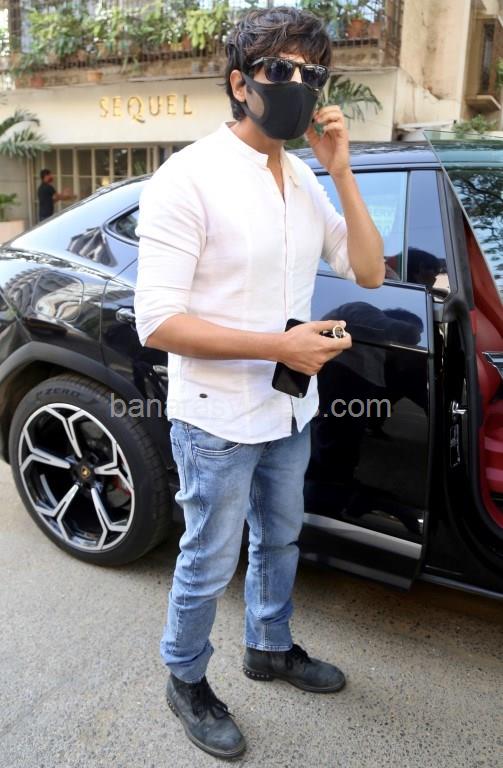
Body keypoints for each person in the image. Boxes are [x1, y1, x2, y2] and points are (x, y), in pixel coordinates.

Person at [134, 6, 384, 760]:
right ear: (241, 84)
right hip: (216, 417)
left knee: (280, 537)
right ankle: (185, 678)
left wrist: (341, 170)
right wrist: (279, 344)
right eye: (280, 69)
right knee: (209, 559)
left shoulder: (304, 179)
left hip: (288, 408)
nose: (298, 84)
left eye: (313, 73)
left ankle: (268, 647)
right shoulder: (188, 177)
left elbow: (368, 271)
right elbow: (157, 321)